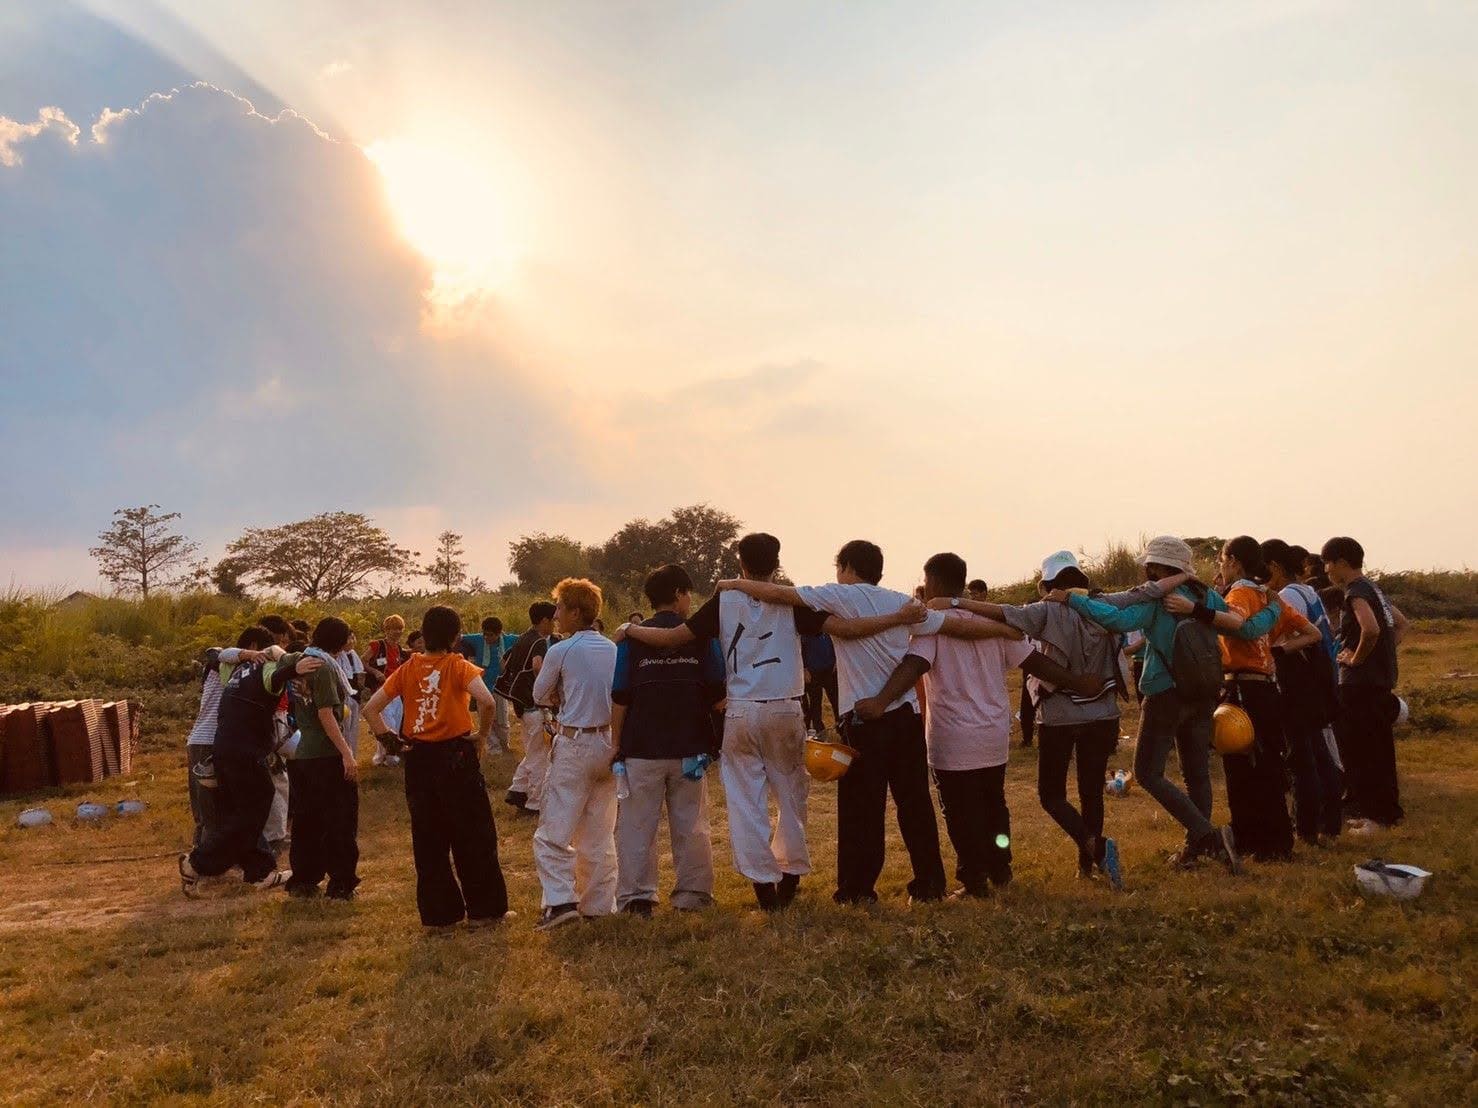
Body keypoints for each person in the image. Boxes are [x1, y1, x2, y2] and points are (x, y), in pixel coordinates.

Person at [717, 538, 1034, 905]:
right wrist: (1003, 631)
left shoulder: (839, 596)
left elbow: (778, 594)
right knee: (915, 806)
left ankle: (858, 890)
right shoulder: (902, 603)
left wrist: (736, 584)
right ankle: (930, 884)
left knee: (861, 811)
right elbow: (955, 628)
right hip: (906, 718)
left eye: (839, 567)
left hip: (866, 717)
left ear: (848, 567)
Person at [625, 533, 925, 910]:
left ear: (741, 562)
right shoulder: (793, 599)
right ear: (777, 561)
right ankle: (790, 874)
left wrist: (630, 630)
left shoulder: (725, 600)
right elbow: (845, 630)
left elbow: (673, 637)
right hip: (785, 706)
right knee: (791, 795)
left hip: (741, 709)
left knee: (745, 801)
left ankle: (763, 885)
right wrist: (898, 618)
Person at [855, 552, 1106, 897]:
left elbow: (913, 666)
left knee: (960, 813)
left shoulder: (935, 624)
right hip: (993, 734)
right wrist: (1078, 683)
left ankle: (974, 879)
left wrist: (880, 702)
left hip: (953, 738)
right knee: (994, 807)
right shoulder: (992, 624)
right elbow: (1035, 662)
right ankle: (1000, 867)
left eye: (926, 582)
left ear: (936, 582)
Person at [1061, 535, 1281, 873]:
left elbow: (1116, 620)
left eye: (1150, 564)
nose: (1146, 569)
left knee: (1148, 772)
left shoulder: (1160, 597)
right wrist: (1275, 607)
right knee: (1197, 774)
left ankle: (1207, 835)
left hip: (1165, 692)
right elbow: (1246, 630)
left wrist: (1073, 601)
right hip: (1205, 691)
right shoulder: (1206, 596)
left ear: (1160, 566)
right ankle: (1196, 849)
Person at [940, 550, 1126, 886]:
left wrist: (957, 604)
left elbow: (1003, 614)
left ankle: (1096, 849)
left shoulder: (1046, 610)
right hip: (1102, 712)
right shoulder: (1104, 607)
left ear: (1047, 585)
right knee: (1091, 792)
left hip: (1059, 714)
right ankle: (1090, 863)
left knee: (1051, 795)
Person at [364, 606, 511, 929]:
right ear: (456, 637)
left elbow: (371, 709)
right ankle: (484, 911)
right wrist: (482, 736)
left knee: (428, 839)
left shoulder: (408, 668)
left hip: (418, 759)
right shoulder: (459, 666)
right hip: (455, 757)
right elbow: (486, 702)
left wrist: (393, 743)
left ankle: (440, 917)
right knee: (473, 834)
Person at [1186, 537, 1318, 862]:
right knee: (1270, 765)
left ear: (1234, 561)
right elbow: (1312, 633)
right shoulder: (1267, 596)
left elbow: (1238, 625)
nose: (1220, 566)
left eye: (1221, 559)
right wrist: (1275, 651)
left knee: (1241, 767)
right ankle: (1277, 841)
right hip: (1266, 688)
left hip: (1240, 689)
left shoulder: (1240, 593)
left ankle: (1250, 839)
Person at [610, 565, 725, 916]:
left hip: (641, 749)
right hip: (689, 749)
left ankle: (636, 898)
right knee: (691, 824)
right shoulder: (703, 639)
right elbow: (719, 691)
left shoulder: (632, 640)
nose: (690, 601)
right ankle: (692, 895)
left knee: (635, 825)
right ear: (678, 595)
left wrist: (617, 744)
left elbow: (620, 696)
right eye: (688, 594)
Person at [179, 646, 324, 894]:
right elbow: (276, 676)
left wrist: (249, 654)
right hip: (246, 751)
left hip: (224, 747)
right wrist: (292, 666)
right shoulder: (270, 670)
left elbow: (214, 654)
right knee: (253, 810)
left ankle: (260, 872)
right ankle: (196, 863)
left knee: (243, 812)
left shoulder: (236, 670)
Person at [530, 578, 620, 930]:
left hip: (575, 742)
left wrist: (556, 692)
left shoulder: (561, 650)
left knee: (553, 830)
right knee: (599, 831)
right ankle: (598, 904)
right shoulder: (612, 649)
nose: (556, 615)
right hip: (609, 742)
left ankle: (560, 901)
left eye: (560, 608)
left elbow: (539, 694)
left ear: (575, 612)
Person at [1321, 536, 1408, 833]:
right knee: (1381, 751)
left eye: (1328, 563)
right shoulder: (1375, 589)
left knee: (1363, 753)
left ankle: (1375, 818)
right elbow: (1401, 624)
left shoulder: (1355, 592)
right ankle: (1387, 813)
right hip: (1379, 683)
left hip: (1358, 685)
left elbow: (1369, 629)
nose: (1327, 570)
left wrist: (1357, 659)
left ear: (1342, 562)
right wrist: (1382, 654)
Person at [1261, 539, 1344, 843]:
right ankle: (1331, 824)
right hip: (1315, 683)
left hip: (1297, 684)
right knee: (1318, 752)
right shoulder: (1307, 590)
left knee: (1302, 757)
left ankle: (1307, 827)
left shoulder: (1288, 596)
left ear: (1273, 567)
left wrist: (1275, 651)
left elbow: (1303, 637)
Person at [286, 617, 361, 900]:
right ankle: (341, 882)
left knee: (307, 821)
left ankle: (304, 878)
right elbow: (326, 713)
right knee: (339, 821)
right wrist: (346, 753)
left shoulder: (300, 661)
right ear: (341, 642)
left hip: (304, 753)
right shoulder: (327, 666)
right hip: (327, 753)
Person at [185, 626, 275, 846]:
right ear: (254, 646)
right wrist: (252, 656)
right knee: (210, 811)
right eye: (263, 651)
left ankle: (208, 860)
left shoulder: (239, 670)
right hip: (206, 742)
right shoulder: (226, 664)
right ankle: (202, 866)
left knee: (218, 807)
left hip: (211, 741)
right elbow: (218, 652)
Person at [499, 602, 560, 813]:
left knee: (533, 749)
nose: (555, 623)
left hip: (520, 704)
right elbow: (537, 666)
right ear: (544, 620)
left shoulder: (523, 638)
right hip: (535, 704)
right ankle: (534, 803)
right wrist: (547, 687)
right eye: (553, 619)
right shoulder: (540, 643)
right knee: (540, 756)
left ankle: (518, 790)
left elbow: (504, 663)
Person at [459, 617, 520, 753]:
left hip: (500, 687)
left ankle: (504, 744)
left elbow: (527, 639)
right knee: (486, 720)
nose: (486, 637)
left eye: (490, 635)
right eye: (484, 634)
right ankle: (494, 748)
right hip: (483, 686)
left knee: (502, 720)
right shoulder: (478, 639)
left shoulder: (510, 640)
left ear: (499, 633)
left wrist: (553, 637)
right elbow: (459, 637)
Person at [364, 615, 411, 766]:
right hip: (381, 690)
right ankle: (384, 757)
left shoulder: (398, 649)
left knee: (396, 722)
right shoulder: (377, 645)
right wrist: (375, 672)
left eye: (400, 629)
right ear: (386, 630)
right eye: (394, 629)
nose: (397, 632)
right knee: (386, 724)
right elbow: (363, 660)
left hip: (396, 691)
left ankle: (390, 756)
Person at [801, 630, 839, 736]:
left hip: (830, 670)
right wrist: (804, 668)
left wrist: (836, 660)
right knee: (815, 703)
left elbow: (836, 644)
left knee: (836, 701)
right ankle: (819, 732)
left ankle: (841, 728)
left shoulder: (828, 631)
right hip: (813, 672)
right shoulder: (805, 632)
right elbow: (799, 649)